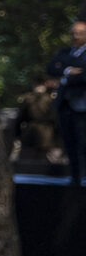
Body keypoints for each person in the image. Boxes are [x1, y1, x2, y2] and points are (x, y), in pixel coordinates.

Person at [49, 20, 86, 187]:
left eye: (80, 33)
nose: (75, 36)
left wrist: (66, 71)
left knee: (82, 142)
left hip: (82, 106)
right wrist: (68, 70)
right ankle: (75, 177)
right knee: (69, 142)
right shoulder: (64, 52)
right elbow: (51, 68)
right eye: (74, 32)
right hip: (65, 105)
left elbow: (83, 75)